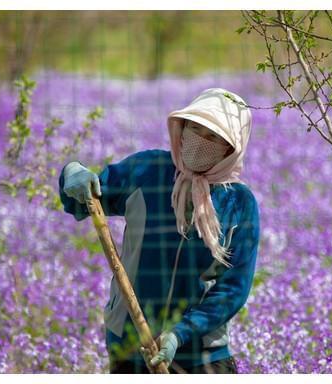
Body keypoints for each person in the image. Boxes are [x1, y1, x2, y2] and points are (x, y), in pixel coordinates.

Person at [58, 88, 260, 374]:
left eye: (214, 137)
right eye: (195, 128)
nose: (200, 141)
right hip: (130, 343)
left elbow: (233, 289)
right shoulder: (147, 170)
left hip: (201, 353)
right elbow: (85, 200)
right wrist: (72, 172)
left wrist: (180, 333)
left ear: (232, 147)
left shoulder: (239, 203)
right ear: (182, 127)